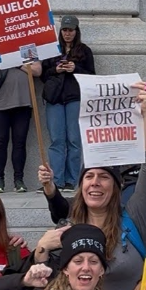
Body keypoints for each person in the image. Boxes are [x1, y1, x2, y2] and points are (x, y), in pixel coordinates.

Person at [34, 81, 146, 290]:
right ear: (81, 186)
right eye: (89, 176)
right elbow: (45, 281)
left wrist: (145, 114)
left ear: (116, 186)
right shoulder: (66, 228)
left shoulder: (133, 219)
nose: (95, 182)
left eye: (103, 177)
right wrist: (41, 249)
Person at [0, 39, 42, 193]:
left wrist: (19, 63)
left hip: (22, 102)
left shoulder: (27, 46)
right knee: (0, 142)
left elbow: (37, 71)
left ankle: (19, 179)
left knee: (20, 142)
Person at [40, 16, 95, 191]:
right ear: (61, 31)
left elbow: (92, 76)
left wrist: (75, 69)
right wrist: (55, 70)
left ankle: (72, 180)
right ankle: (57, 180)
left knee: (74, 140)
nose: (67, 33)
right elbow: (42, 75)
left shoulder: (84, 51)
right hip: (54, 99)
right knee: (56, 140)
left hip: (75, 99)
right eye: (65, 30)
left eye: (70, 30)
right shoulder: (51, 50)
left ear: (76, 31)